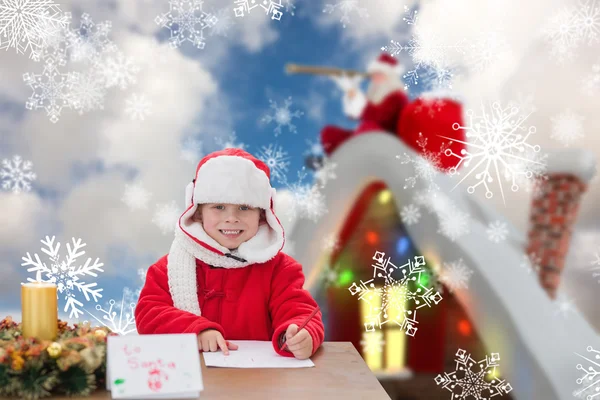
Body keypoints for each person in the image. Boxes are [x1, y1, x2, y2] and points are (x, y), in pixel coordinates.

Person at [135, 148, 324, 360]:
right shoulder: (168, 269)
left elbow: (301, 311)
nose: (232, 218)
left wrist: (302, 335)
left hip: (259, 382)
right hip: (195, 380)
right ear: (198, 213)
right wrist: (197, 330)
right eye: (219, 207)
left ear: (262, 214)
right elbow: (149, 312)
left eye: (244, 207)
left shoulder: (279, 269)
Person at [319, 52, 409, 157]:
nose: (375, 78)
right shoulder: (374, 97)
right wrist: (351, 92)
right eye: (374, 74)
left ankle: (356, 161)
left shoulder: (397, 96)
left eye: (379, 74)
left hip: (388, 142)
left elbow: (379, 118)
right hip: (364, 138)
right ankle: (335, 162)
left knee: (368, 128)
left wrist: (355, 93)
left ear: (390, 76)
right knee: (329, 133)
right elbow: (355, 115)